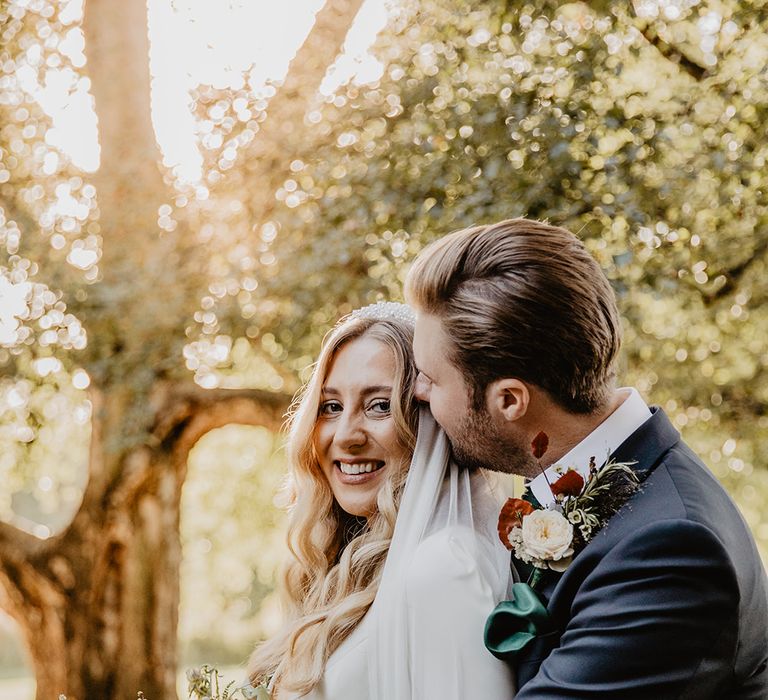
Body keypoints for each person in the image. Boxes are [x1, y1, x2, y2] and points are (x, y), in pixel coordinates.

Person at [405, 217, 768, 699]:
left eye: (431, 377)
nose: (416, 391)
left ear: (510, 400)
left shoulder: (671, 554)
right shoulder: (581, 482)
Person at [247, 302, 516, 699]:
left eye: (379, 406)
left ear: (428, 420)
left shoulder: (446, 565)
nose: (346, 436)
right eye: (331, 407)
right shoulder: (342, 565)